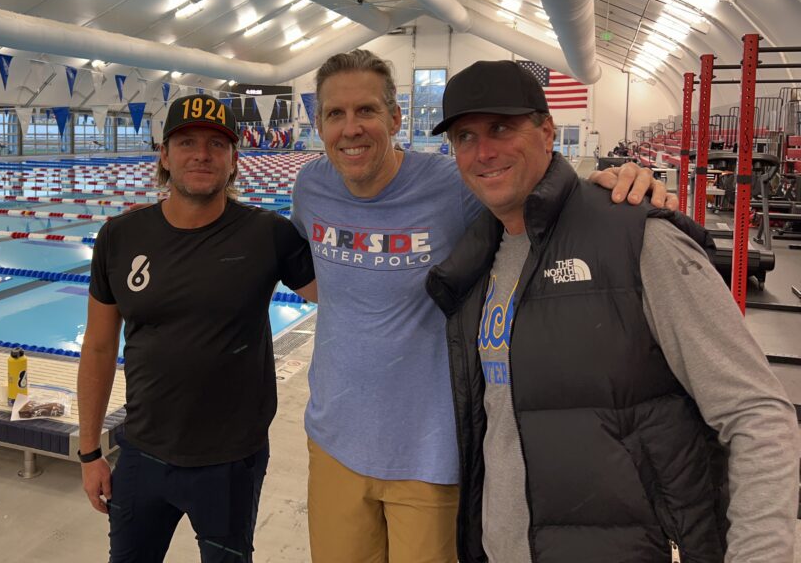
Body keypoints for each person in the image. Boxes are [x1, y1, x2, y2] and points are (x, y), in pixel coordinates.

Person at [291, 49, 673, 563]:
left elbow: (539, 196)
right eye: (335, 114)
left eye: (367, 111)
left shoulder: (454, 186)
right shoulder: (309, 188)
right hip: (333, 442)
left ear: (396, 118)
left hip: (431, 455)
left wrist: (617, 185)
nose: (351, 128)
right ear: (319, 124)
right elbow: (318, 286)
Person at [425, 60, 800, 563]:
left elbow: (757, 413)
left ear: (546, 130)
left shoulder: (639, 239)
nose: (483, 151)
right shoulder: (477, 259)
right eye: (465, 137)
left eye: (500, 128)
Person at [77, 93, 317, 563]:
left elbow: (344, 293)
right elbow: (100, 347)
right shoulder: (119, 237)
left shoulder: (267, 234)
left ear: (234, 160)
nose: (201, 154)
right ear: (164, 156)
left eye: (217, 144)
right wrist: (90, 453)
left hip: (231, 461)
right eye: (186, 142)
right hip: (142, 452)